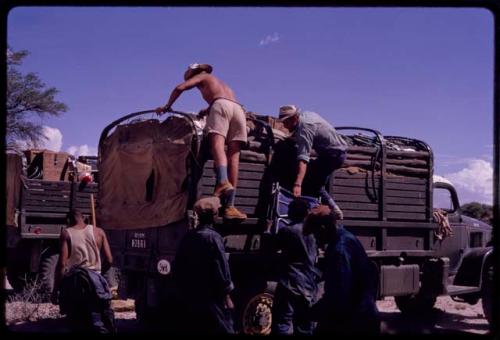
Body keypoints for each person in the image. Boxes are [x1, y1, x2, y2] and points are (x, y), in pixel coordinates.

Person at [156, 63, 247, 221]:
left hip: (221, 106)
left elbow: (180, 88)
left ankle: (223, 181)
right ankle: (230, 206)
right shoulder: (221, 84)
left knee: (217, 144)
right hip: (238, 110)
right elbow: (224, 101)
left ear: (194, 74)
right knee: (234, 156)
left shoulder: (202, 76)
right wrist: (207, 110)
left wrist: (167, 106)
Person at [305, 205, 380, 335]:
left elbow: (339, 297)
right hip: (362, 316)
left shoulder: (339, 250)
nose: (315, 240)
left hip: (355, 322)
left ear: (323, 229)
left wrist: (312, 313)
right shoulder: (345, 237)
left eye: (315, 234)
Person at [172, 197, 235, 334]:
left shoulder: (189, 237)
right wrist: (227, 296)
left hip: (192, 296)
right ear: (215, 216)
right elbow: (222, 269)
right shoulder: (214, 238)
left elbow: (178, 267)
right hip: (211, 297)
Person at [278, 105, 347, 219]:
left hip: (334, 154)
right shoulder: (306, 116)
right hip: (335, 152)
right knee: (314, 178)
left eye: (286, 122)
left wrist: (297, 184)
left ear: (294, 118)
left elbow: (303, 158)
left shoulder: (304, 127)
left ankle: (332, 210)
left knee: (313, 183)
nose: (284, 125)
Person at [52, 209, 115, 333]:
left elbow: (62, 264)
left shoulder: (66, 233)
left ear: (68, 220)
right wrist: (98, 274)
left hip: (75, 283)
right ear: (84, 218)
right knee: (97, 318)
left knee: (76, 321)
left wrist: (55, 290)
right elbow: (110, 260)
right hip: (95, 282)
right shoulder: (99, 232)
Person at [271, 198, 320, 335]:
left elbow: (272, 247)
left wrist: (267, 231)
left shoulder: (287, 231)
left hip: (289, 282)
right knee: (304, 324)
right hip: (308, 283)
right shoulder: (313, 232)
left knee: (282, 321)